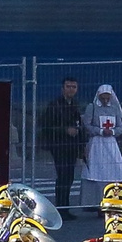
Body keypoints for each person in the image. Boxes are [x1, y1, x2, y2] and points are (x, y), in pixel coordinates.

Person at [38, 78, 86, 216]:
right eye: (68, 86)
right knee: (63, 176)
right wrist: (65, 130)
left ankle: (65, 207)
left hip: (72, 145)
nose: (71, 89)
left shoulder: (75, 104)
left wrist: (82, 144)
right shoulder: (54, 105)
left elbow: (79, 124)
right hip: (59, 145)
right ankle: (61, 207)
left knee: (69, 177)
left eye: (74, 87)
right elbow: (46, 125)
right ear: (62, 88)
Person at [83, 82, 122, 190]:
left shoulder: (114, 108)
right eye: (102, 98)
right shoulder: (92, 107)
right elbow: (87, 124)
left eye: (107, 98)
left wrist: (112, 132)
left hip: (111, 143)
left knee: (118, 166)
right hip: (96, 142)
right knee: (96, 166)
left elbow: (120, 126)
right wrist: (100, 131)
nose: (105, 100)